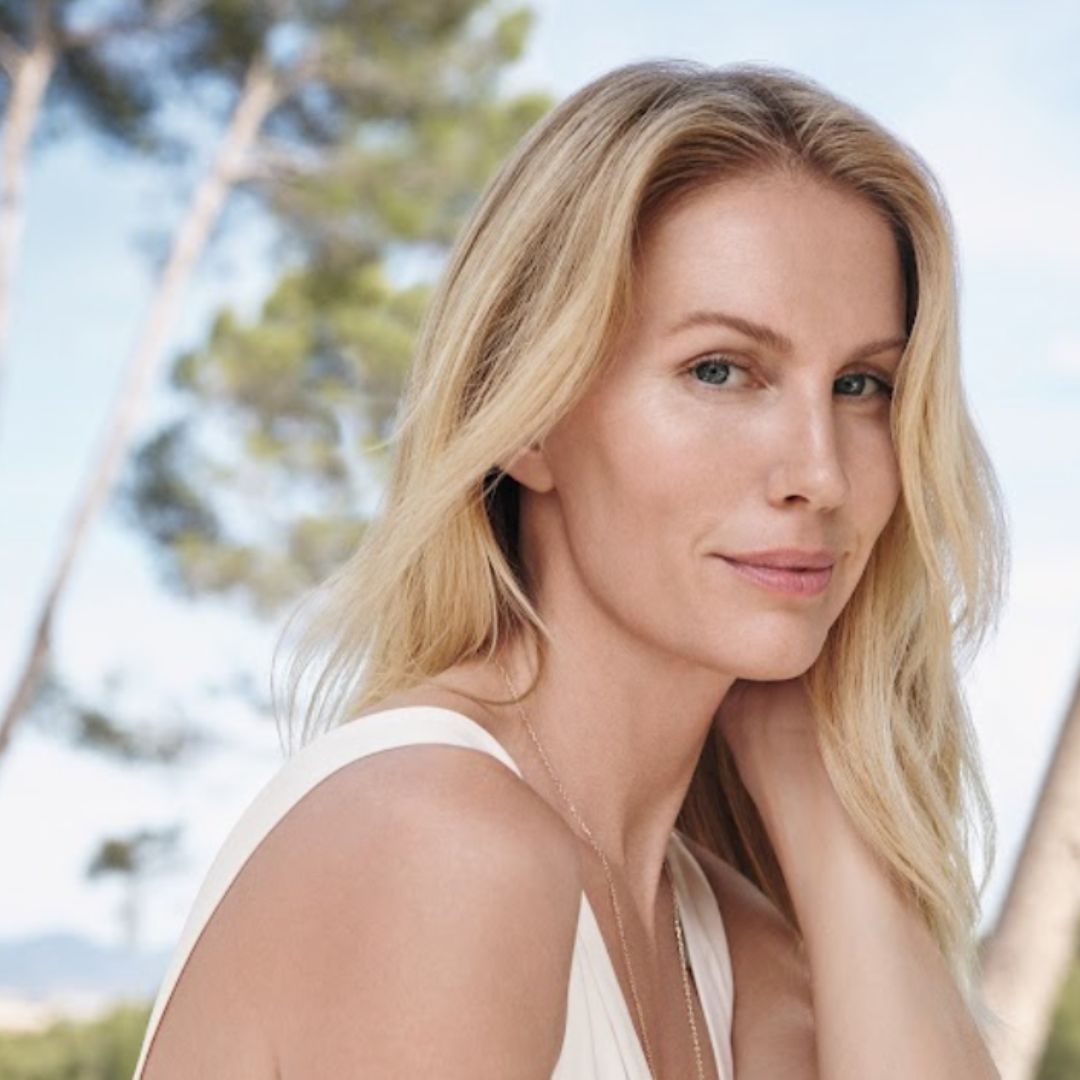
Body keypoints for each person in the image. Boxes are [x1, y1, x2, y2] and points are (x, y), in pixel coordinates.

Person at [132, 58, 1008, 1078]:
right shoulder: (437, 845)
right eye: (720, 370)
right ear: (530, 418)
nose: (820, 473)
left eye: (863, 384)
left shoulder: (734, 946)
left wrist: (827, 815)